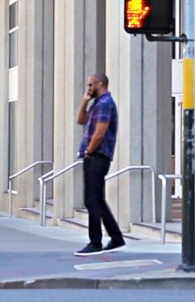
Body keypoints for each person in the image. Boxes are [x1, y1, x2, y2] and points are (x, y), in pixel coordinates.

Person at [73, 72, 126, 256]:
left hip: (97, 156)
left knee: (91, 200)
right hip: (95, 156)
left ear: (100, 84)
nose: (88, 88)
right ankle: (116, 238)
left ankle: (95, 242)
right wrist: (84, 101)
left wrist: (89, 151)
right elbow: (81, 120)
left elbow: (100, 132)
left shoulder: (105, 104)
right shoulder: (97, 103)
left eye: (91, 85)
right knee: (97, 199)